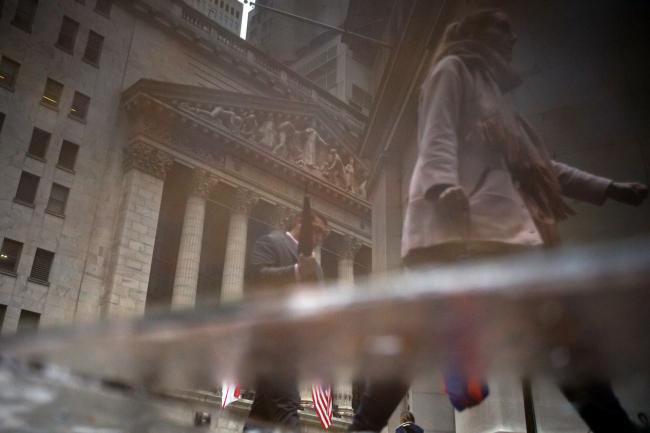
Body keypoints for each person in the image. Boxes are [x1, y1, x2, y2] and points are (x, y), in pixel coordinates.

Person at [351, 8, 648, 433]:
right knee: (413, 345)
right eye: (500, 30)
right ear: (475, 33)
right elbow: (437, 134)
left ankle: (615, 426)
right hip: (454, 234)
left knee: (559, 337)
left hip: (498, 235)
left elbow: (541, 166)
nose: (510, 39)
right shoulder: (452, 70)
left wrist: (608, 188)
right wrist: (440, 188)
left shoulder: (497, 96)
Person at [243, 211, 330, 432]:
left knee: (262, 414)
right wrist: (295, 272)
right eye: (317, 230)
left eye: (323, 234)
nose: (319, 237)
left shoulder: (316, 267)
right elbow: (257, 276)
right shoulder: (271, 242)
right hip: (271, 342)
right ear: (300, 222)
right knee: (286, 405)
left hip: (294, 348)